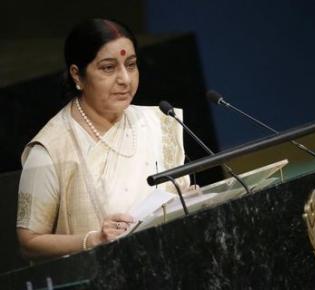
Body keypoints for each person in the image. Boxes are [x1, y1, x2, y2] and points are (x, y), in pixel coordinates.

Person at [16, 18, 190, 260]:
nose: (125, 79)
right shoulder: (51, 148)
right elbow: (30, 242)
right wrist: (94, 240)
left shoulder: (159, 122)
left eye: (131, 65)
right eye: (108, 68)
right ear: (77, 75)